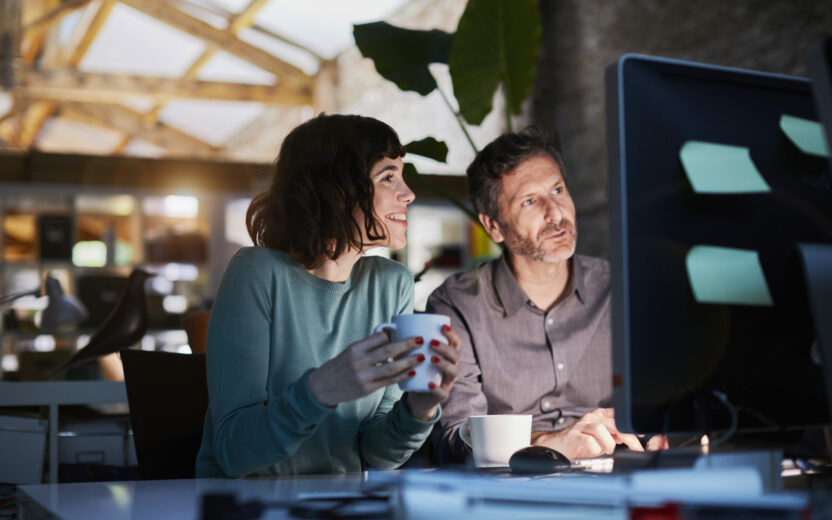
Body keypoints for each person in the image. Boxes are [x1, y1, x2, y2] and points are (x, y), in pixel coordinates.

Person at [195, 114, 461, 477]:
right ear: (337, 190)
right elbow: (233, 452)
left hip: (340, 504)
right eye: (388, 177)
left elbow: (379, 454)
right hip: (249, 505)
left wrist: (419, 409)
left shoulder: (391, 283)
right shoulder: (257, 272)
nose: (408, 193)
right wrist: (320, 390)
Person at [427, 126, 667, 464]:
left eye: (557, 190)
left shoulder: (622, 289)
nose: (556, 213)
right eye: (529, 201)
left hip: (622, 476)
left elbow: (667, 403)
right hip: (512, 489)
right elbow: (453, 439)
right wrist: (552, 443)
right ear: (493, 225)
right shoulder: (457, 306)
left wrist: (663, 431)